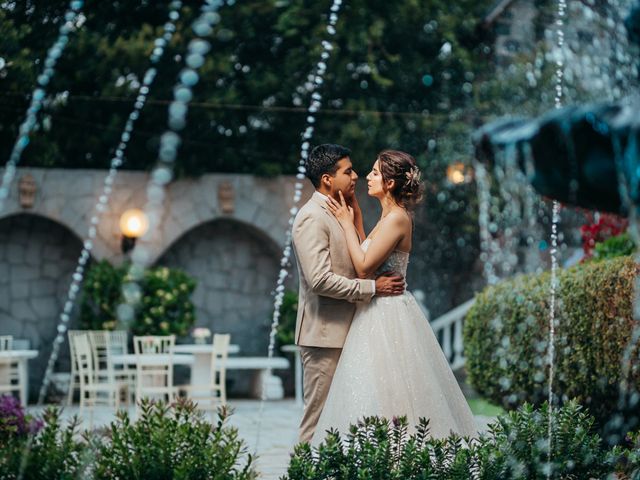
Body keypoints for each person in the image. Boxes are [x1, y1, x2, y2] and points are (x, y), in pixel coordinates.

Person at [313, 149, 477, 445]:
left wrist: (347, 224)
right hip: (375, 310)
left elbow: (362, 267)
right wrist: (359, 219)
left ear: (390, 183)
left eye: (375, 172)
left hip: (389, 314)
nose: (367, 177)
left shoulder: (398, 218)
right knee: (374, 390)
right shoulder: (387, 217)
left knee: (396, 391)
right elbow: (367, 253)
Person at [292, 144, 406, 444]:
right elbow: (319, 280)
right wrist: (373, 288)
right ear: (328, 179)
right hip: (325, 337)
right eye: (348, 171)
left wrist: (353, 217)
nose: (356, 175)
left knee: (348, 422)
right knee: (316, 423)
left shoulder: (341, 210)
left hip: (355, 333)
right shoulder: (312, 217)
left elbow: (359, 261)